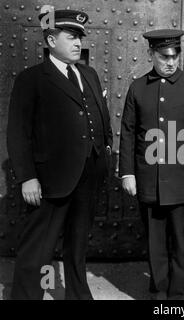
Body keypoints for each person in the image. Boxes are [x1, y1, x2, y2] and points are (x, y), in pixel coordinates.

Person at [7, 9, 113, 300]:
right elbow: (18, 132)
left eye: (80, 37)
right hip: (51, 179)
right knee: (39, 247)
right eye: (71, 37)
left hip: (88, 175)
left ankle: (78, 295)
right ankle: (28, 296)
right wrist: (27, 177)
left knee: (78, 245)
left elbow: (101, 119)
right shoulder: (32, 79)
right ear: (51, 40)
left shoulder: (88, 74)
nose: (78, 43)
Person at [119, 29, 184, 300]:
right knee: (155, 244)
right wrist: (127, 173)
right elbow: (128, 133)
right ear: (151, 54)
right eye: (164, 56)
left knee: (183, 245)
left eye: (175, 56)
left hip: (182, 180)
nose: (171, 62)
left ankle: (178, 297)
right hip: (149, 181)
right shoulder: (137, 87)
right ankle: (158, 293)